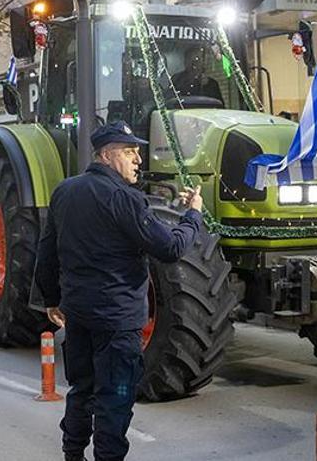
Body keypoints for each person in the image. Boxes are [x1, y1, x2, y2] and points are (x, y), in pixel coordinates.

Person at [36, 121, 204, 461]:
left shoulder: (65, 192)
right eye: (130, 152)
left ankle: (73, 454)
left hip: (78, 315)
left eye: (137, 152)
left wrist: (51, 299)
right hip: (117, 320)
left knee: (82, 390)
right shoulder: (125, 199)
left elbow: (47, 250)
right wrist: (193, 215)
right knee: (115, 396)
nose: (138, 159)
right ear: (108, 155)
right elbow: (169, 248)